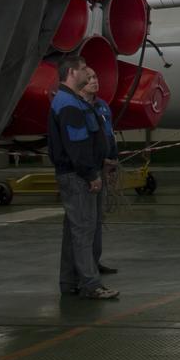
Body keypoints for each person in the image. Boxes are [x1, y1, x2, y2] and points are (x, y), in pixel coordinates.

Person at [48, 55, 118, 300]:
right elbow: (76, 146)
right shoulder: (68, 104)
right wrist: (91, 174)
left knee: (74, 231)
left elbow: (91, 139)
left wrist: (103, 161)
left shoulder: (75, 102)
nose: (87, 74)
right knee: (83, 232)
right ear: (71, 73)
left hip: (82, 172)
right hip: (78, 176)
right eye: (83, 70)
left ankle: (69, 282)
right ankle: (90, 284)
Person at [78, 67, 119, 277]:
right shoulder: (77, 107)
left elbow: (109, 135)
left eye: (96, 77)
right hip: (87, 171)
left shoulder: (102, 106)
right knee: (85, 222)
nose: (95, 81)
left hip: (103, 167)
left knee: (97, 219)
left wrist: (113, 158)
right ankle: (85, 268)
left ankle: (95, 260)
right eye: (90, 78)